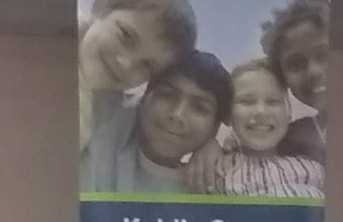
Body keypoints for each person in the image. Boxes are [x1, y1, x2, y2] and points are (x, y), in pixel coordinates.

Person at [79, 50, 230, 196]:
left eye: (199, 108)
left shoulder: (213, 188)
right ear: (144, 97)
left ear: (214, 128)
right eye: (167, 95)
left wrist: (220, 147)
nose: (177, 115)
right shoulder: (105, 119)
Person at [76, 0, 195, 151]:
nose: (125, 63)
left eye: (147, 66)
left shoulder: (115, 111)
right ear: (100, 10)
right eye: (126, 37)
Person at [208, 57, 326, 198]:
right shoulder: (215, 171)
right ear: (227, 115)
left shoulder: (314, 170)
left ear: (288, 114)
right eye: (247, 101)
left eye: (273, 101)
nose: (261, 111)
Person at [260, 0, 330, 165]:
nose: (313, 71)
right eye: (295, 65)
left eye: (325, 55)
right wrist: (210, 147)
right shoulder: (289, 139)